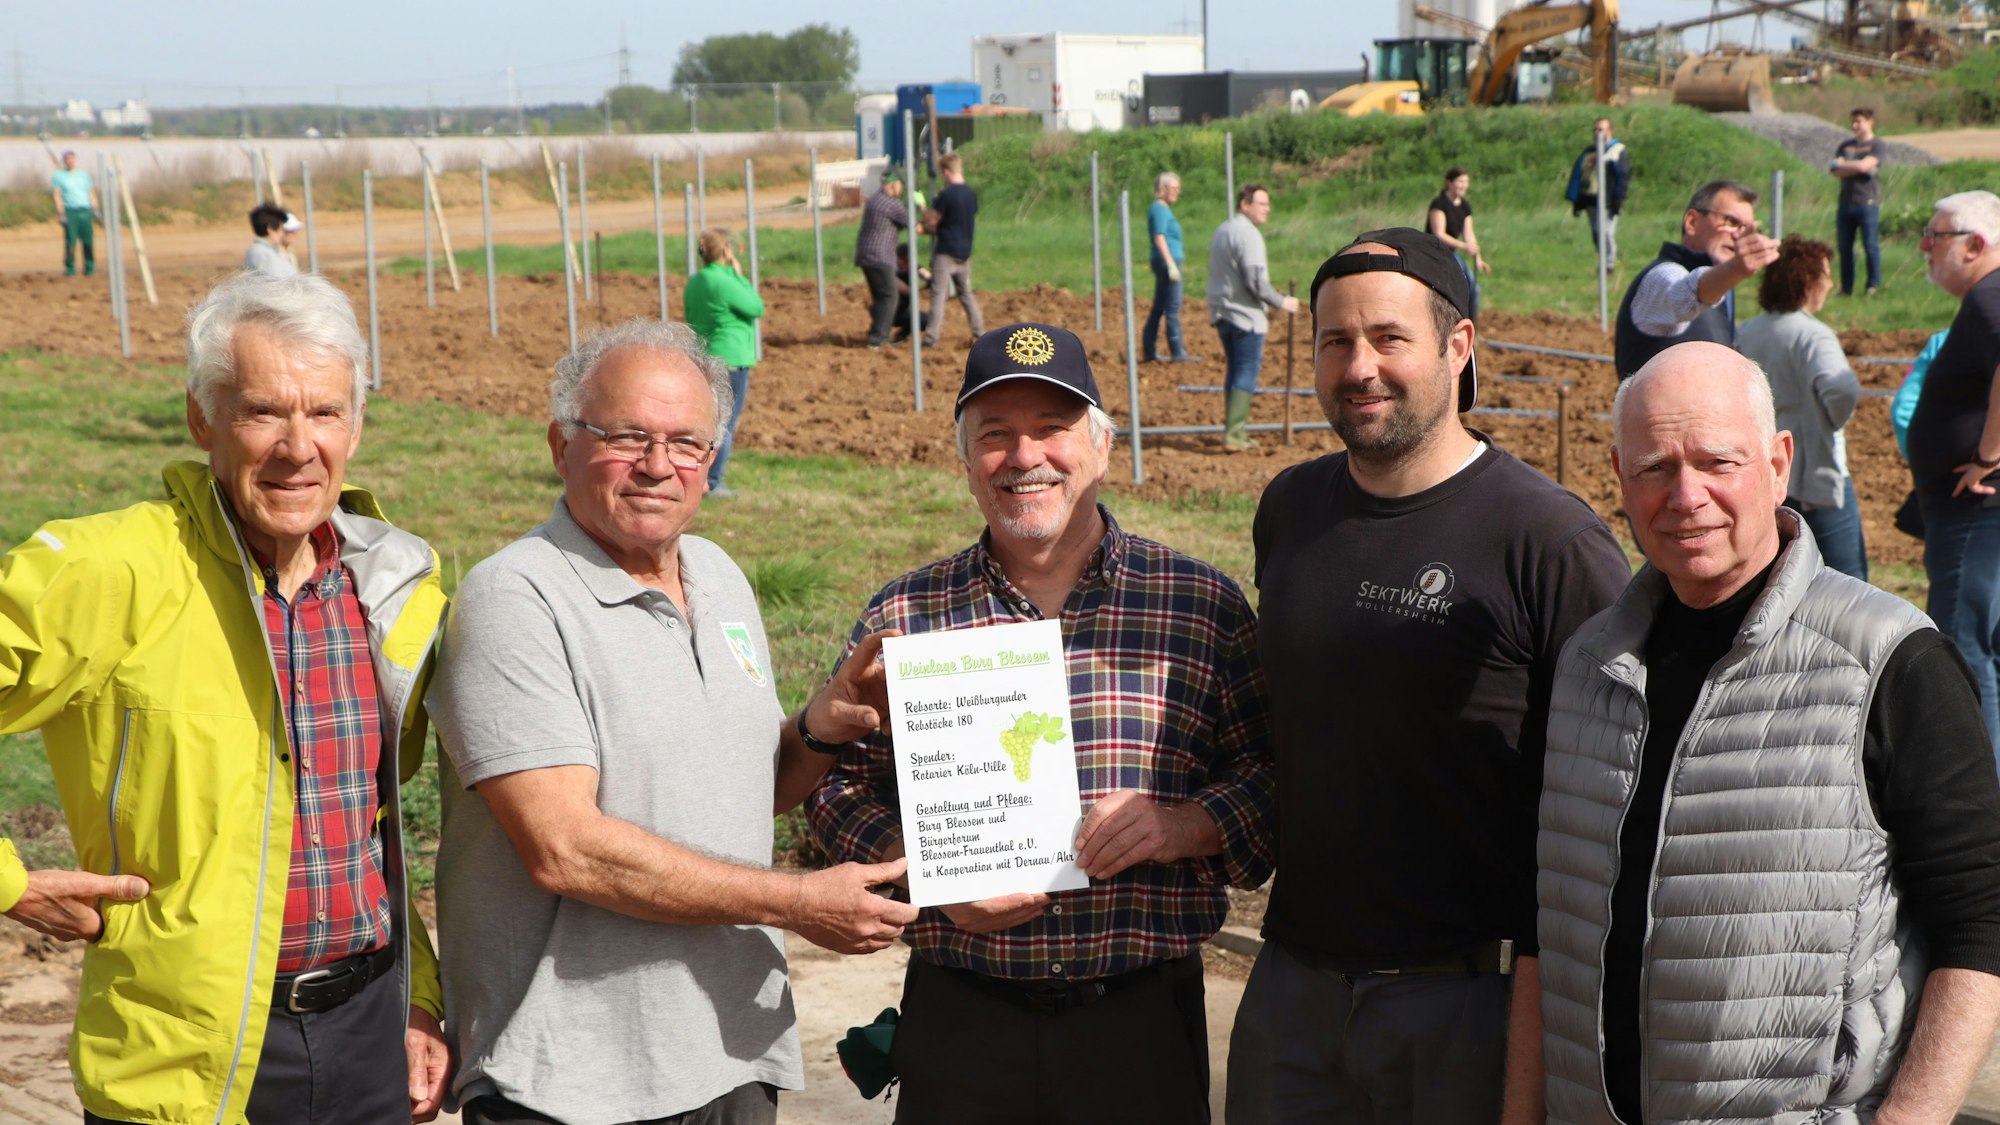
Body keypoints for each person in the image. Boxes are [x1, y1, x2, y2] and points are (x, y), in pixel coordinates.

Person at [427, 319, 917, 1125]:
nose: (659, 465)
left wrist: (822, 729)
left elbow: (741, 794)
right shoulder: (516, 598)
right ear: (560, 444)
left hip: (726, 1053)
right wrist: (796, 901)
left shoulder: (718, 576)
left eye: (688, 442)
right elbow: (565, 848)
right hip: (569, 1083)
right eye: (626, 436)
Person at [0, 270, 452, 1124]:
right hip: (184, 1053)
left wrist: (418, 995)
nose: (297, 446)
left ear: (356, 423)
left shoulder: (392, 587)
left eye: (324, 411)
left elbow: (368, 823)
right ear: (201, 417)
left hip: (367, 1036)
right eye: (262, 411)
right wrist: (8, 879)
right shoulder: (110, 570)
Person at [808, 322, 1275, 1123]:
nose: (1025, 457)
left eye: (1052, 429)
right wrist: (926, 871)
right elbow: (836, 790)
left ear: (1100, 447)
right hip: (962, 1021)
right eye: (996, 435)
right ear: (966, 460)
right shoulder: (907, 617)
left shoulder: (1199, 606)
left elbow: (1271, 782)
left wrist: (1184, 824)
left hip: (1138, 1026)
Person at [1539, 342, 2000, 1125]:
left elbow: (1982, 919)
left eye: (1718, 461)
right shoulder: (1588, 668)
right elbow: (1548, 924)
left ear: (1779, 462)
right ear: (1618, 475)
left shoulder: (1889, 659)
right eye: (1655, 467)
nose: (1686, 495)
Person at [1227, 228, 1630, 1125]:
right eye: (1335, 341)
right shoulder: (1291, 508)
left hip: (1467, 1003)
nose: (1358, 366)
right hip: (1295, 982)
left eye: (1387, 338)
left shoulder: (1548, 541)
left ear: (1458, 347)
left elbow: (1621, 781)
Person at [1909, 189, 2000, 753]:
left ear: (1977, 244)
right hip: (1975, 514)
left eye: (1936, 236)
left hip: (1975, 514)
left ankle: (1981, 811)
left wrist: (1988, 456)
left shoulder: (1992, 296)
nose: (1924, 245)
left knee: (1965, 648)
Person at [1736, 235, 1868, 580]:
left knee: (1777, 576)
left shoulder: (1746, 332)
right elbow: (1841, 387)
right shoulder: (1814, 335)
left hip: (1767, 475)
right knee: (1846, 579)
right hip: (1816, 476)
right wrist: (1829, 422)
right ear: (1808, 281)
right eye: (1825, 275)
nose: (1831, 284)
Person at [1613, 179, 1781, 380]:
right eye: (1732, 222)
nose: (1739, 236)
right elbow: (1684, 295)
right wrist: (1735, 269)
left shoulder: (1722, 284)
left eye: (1746, 228)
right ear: (1692, 222)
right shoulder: (1661, 276)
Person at [1207, 183, 1300, 450]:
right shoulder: (1248, 235)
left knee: (1235, 369)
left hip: (1222, 312)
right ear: (1245, 205)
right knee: (1246, 370)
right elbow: (1255, 281)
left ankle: (1233, 430)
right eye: (1262, 203)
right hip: (1245, 315)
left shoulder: (1223, 230)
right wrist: (1282, 302)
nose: (1267, 209)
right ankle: (1235, 434)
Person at [682, 227, 765, 498]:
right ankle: (713, 483)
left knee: (707, 419)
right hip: (731, 358)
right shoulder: (726, 281)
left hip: (705, 355)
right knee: (725, 424)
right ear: (727, 251)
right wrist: (738, 275)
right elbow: (756, 307)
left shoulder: (695, 281)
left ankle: (697, 476)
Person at [921, 151, 984, 348]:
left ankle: (931, 338)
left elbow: (932, 221)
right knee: (966, 294)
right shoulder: (971, 194)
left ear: (947, 172)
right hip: (964, 253)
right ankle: (980, 333)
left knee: (938, 295)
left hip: (946, 252)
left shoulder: (946, 195)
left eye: (942, 173)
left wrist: (923, 208)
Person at [1144, 171, 1198, 364]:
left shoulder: (1162, 208)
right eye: (1174, 188)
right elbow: (1159, 237)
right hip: (1167, 262)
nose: (1177, 192)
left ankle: (1149, 351)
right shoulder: (1159, 209)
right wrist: (1171, 265)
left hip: (1166, 261)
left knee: (1159, 307)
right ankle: (1177, 352)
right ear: (1164, 189)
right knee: (1172, 307)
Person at [1832, 107, 1886, 298]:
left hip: (1867, 203)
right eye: (1853, 122)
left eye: (1859, 121)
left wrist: (1845, 165)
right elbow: (1834, 169)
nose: (1854, 126)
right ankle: (1846, 289)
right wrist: (1858, 167)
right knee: (1845, 247)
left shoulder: (1877, 145)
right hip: (1845, 203)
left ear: (1870, 122)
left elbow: (1865, 166)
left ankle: (1872, 286)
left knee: (1870, 246)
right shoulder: (1845, 145)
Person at [1426, 165, 1489, 322]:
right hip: (1435, 251)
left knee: (1473, 288)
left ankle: (1469, 325)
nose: (1463, 185)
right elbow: (1439, 234)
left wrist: (1478, 259)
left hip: (1452, 253)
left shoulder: (1464, 206)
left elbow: (1469, 234)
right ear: (1449, 182)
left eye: (1466, 182)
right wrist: (1463, 246)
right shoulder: (1439, 204)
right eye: (1460, 181)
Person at [1565, 117, 1629, 267]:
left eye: (1601, 129)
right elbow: (1578, 176)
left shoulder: (1618, 151)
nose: (1597, 133)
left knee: (1606, 233)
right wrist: (1577, 201)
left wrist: (1618, 200)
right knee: (1596, 232)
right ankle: (1602, 261)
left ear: (1610, 131)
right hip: (1590, 199)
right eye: (1595, 129)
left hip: (1608, 201)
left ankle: (1610, 264)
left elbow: (1623, 177)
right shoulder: (1589, 152)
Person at [855, 170, 909, 348]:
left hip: (866, 256)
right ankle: (878, 339)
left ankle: (876, 331)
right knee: (889, 296)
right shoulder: (891, 203)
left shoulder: (875, 200)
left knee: (882, 296)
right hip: (880, 257)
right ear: (894, 185)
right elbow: (911, 222)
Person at [50, 150, 98, 277]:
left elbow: (91, 192)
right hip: (70, 211)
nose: (70, 161)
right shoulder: (59, 176)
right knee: (71, 241)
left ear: (75, 160)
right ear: (64, 161)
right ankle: (70, 268)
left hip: (85, 210)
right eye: (67, 159)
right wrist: (61, 212)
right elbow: (57, 194)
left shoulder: (84, 175)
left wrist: (95, 208)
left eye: (72, 158)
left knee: (88, 241)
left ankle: (89, 267)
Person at [244, 203, 301, 276]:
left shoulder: (259, 251)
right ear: (270, 229)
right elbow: (280, 284)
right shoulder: (265, 256)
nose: (283, 234)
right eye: (281, 230)